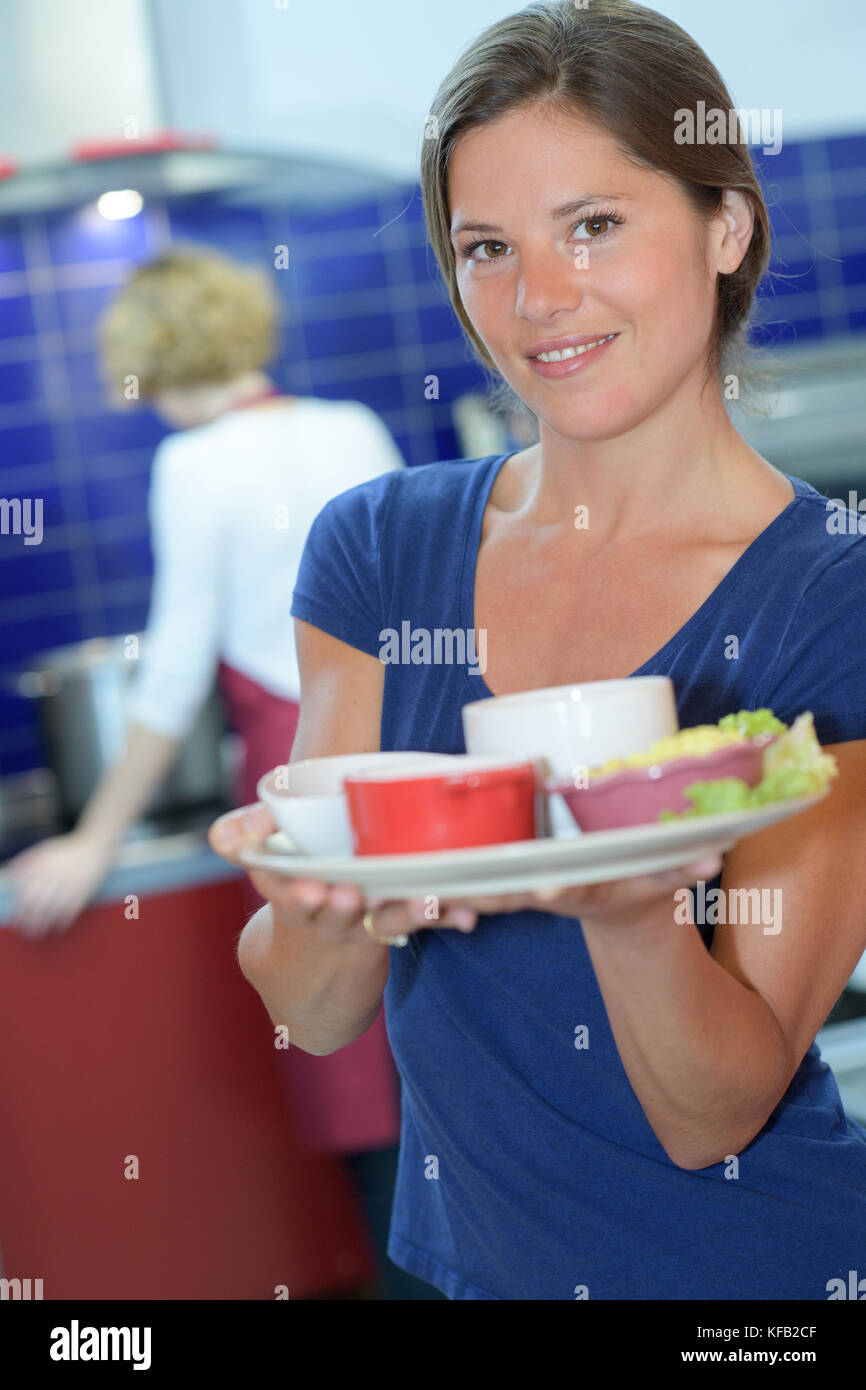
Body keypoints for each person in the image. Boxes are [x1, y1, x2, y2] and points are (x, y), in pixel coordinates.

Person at [207, 0, 866, 1302]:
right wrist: (325, 902)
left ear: (724, 225)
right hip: (456, 1269)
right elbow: (315, 1008)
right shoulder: (377, 550)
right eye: (485, 247)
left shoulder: (828, 600)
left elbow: (711, 1116)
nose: (536, 298)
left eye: (594, 225)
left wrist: (629, 915)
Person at [6, 245, 440, 1299]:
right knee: (432, 1051)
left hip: (303, 783)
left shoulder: (192, 465)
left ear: (148, 357)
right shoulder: (349, 427)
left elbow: (171, 681)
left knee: (347, 1064)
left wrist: (92, 841)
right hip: (416, 763)